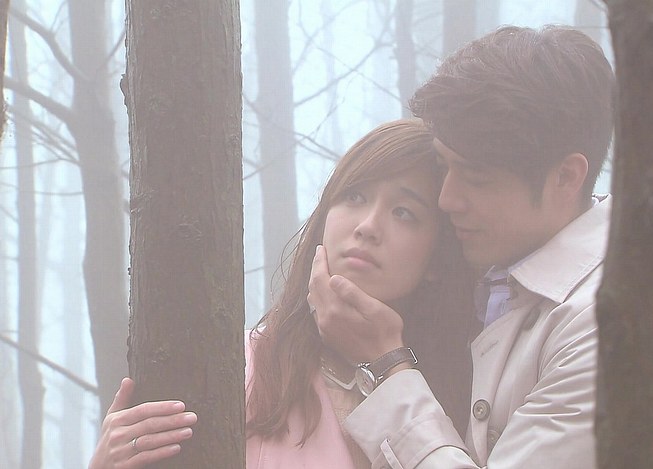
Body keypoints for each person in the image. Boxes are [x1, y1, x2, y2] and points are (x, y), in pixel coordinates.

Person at [309, 25, 615, 468]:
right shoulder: (494, 276)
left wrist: (387, 364)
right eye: (444, 165)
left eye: (476, 178)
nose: (447, 198)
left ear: (566, 177)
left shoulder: (605, 329)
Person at [89, 119, 475, 469]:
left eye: (404, 212)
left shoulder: (470, 402)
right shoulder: (234, 368)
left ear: (437, 257)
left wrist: (389, 363)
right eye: (355, 197)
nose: (368, 226)